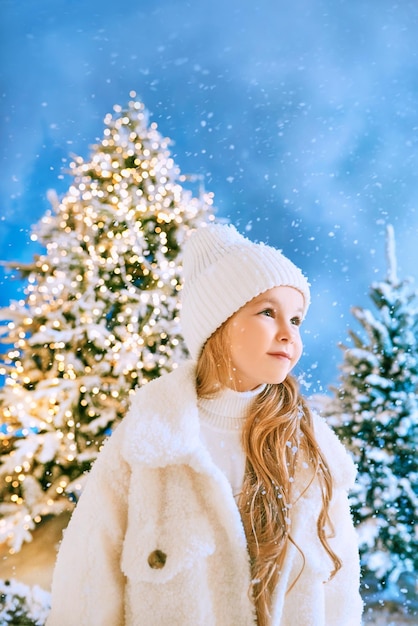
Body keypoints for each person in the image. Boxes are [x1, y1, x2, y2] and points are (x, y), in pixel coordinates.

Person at [47, 223, 363, 626]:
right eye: (268, 312)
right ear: (218, 326)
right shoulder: (149, 442)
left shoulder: (312, 448)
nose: (289, 334)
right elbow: (89, 585)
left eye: (297, 319)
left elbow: (340, 594)